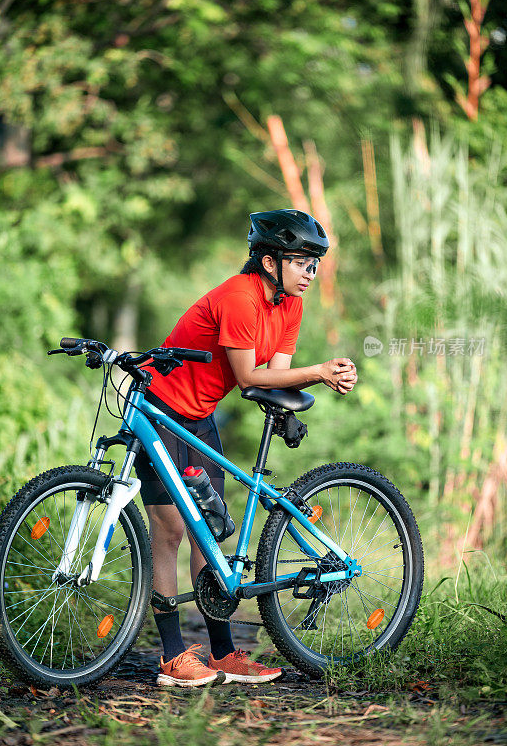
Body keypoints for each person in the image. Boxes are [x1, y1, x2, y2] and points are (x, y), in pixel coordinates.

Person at [134, 208, 358, 688]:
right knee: (170, 530)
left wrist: (288, 411)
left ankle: (222, 654)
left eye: (315, 264)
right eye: (302, 262)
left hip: (200, 416)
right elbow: (247, 377)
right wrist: (319, 372)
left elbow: (274, 375)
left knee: (208, 537)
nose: (310, 273)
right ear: (270, 262)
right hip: (161, 408)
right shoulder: (239, 297)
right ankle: (173, 657)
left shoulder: (290, 307)